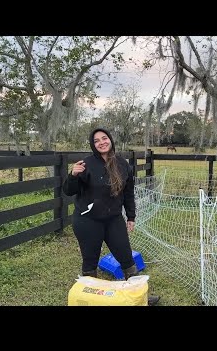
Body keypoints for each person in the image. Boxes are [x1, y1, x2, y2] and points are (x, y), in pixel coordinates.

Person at [62, 127, 159, 306]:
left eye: (104, 138)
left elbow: (128, 193)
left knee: (126, 258)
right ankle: (88, 298)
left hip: (114, 219)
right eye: (97, 140)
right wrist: (73, 175)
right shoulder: (86, 164)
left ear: (110, 140)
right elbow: (69, 191)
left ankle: (140, 298)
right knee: (90, 261)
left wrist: (131, 216)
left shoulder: (123, 165)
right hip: (87, 221)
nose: (101, 142)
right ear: (93, 144)